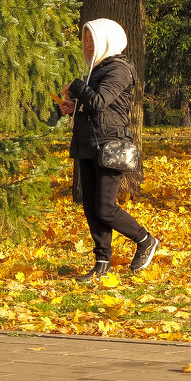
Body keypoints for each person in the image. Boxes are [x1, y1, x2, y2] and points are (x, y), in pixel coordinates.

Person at [59, 19, 159, 283]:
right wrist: (73, 105)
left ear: (107, 41)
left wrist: (77, 86)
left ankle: (145, 239)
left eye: (92, 39)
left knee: (104, 208)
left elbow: (100, 102)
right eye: (85, 40)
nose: (88, 45)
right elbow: (93, 106)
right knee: (91, 208)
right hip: (88, 145)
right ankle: (102, 262)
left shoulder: (119, 69)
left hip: (110, 146)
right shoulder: (96, 70)